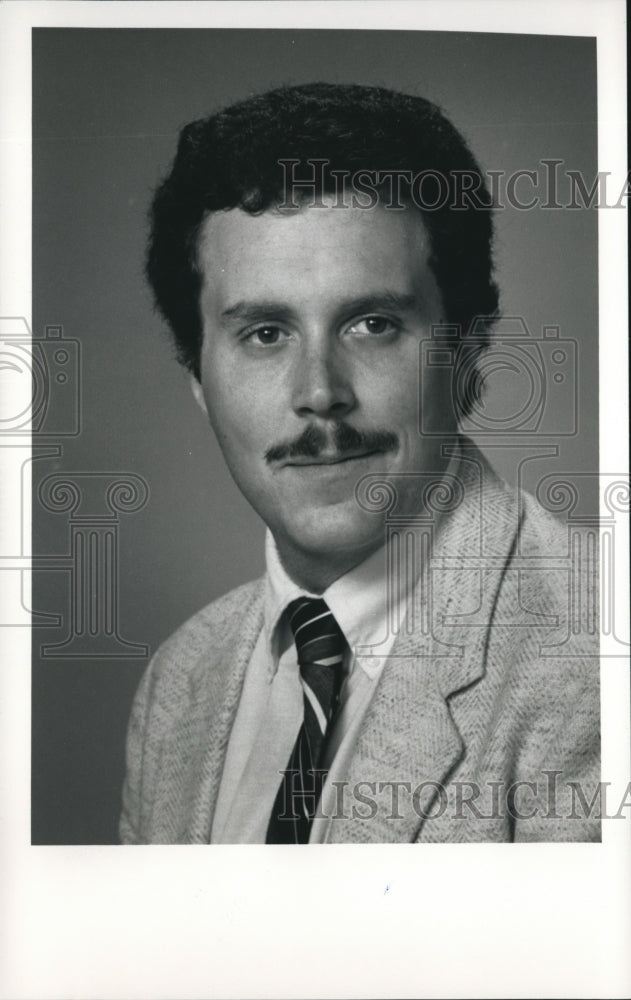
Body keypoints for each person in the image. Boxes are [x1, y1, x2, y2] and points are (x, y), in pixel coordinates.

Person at [120, 82, 599, 844]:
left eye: (373, 324)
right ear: (198, 382)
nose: (318, 394)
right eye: (265, 334)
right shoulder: (179, 683)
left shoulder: (601, 654)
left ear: (467, 352)